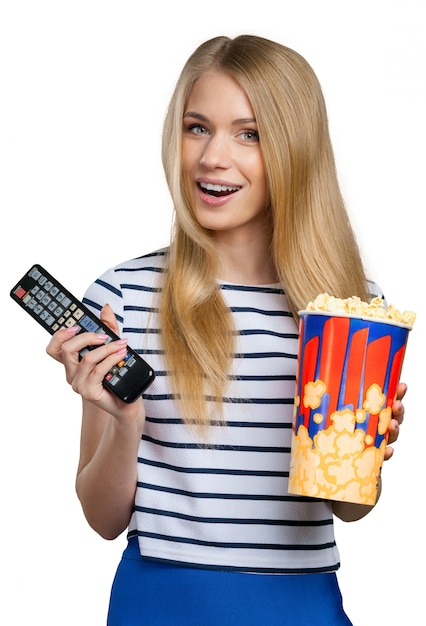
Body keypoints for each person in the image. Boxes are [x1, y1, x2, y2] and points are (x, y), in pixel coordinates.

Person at [47, 34, 406, 625]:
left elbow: (349, 509)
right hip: (160, 602)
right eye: (197, 127)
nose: (213, 156)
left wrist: (366, 455)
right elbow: (102, 518)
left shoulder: (352, 310)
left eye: (250, 133)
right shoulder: (125, 295)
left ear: (295, 149)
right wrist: (125, 418)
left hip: (300, 605)